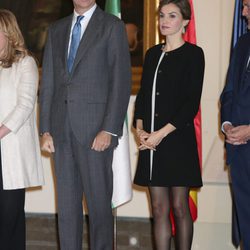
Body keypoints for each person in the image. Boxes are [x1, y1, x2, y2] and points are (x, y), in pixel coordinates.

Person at [39, 0, 131, 249]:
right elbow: (48, 82)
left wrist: (109, 129)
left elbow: (120, 82)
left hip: (96, 133)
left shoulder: (112, 26)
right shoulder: (56, 29)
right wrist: (45, 128)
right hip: (60, 132)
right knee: (67, 209)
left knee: (99, 208)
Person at [133, 0, 205, 249]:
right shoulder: (153, 53)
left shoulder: (194, 55)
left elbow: (190, 103)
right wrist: (140, 130)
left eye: (172, 16)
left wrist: (160, 134)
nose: (164, 20)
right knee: (158, 207)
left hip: (177, 141)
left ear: (185, 21)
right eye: (162, 15)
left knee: (179, 206)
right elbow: (143, 97)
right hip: (152, 142)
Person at [0, 9, 44, 250]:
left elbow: (25, 105)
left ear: (9, 34)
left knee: (10, 218)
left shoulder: (25, 63)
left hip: (11, 152)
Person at [220, 0, 250, 248]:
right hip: (239, 152)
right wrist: (228, 125)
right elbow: (229, 92)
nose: (243, 12)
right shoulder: (242, 44)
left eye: (248, 6)